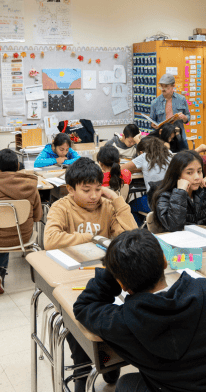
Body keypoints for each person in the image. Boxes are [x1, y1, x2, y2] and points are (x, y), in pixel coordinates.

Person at [73, 228, 206, 392]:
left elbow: (84, 306)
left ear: (121, 283)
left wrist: (112, 272)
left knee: (126, 384)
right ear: (165, 262)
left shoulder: (124, 322)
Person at [44, 157, 137, 392]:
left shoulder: (107, 206)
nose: (94, 195)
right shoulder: (62, 207)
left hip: (106, 278)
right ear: (70, 189)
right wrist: (93, 238)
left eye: (98, 188)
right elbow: (51, 240)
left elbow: (132, 237)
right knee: (78, 322)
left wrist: (117, 200)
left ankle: (109, 360)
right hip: (72, 278)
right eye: (86, 190)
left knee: (124, 311)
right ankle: (81, 373)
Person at [0, 149, 42, 294]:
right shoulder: (32, 188)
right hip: (25, 237)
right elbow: (38, 217)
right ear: (17, 166)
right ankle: (0, 271)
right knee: (10, 229)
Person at [150, 150, 206, 232]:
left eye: (199, 171)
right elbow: (174, 227)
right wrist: (180, 193)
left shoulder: (205, 192)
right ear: (177, 175)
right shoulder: (164, 196)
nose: (197, 177)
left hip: (204, 240)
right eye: (189, 173)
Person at [121, 137, 172, 225]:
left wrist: (139, 169)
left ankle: (138, 230)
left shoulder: (144, 156)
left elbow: (122, 168)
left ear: (142, 152)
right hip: (171, 199)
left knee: (130, 206)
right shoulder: (169, 153)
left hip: (154, 202)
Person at [150, 73, 190, 151]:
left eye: (166, 87)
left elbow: (188, 117)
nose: (163, 89)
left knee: (184, 159)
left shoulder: (181, 99)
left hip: (179, 137)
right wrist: (153, 124)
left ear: (172, 86)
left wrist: (184, 118)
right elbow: (152, 121)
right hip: (163, 139)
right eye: (162, 86)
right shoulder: (155, 102)